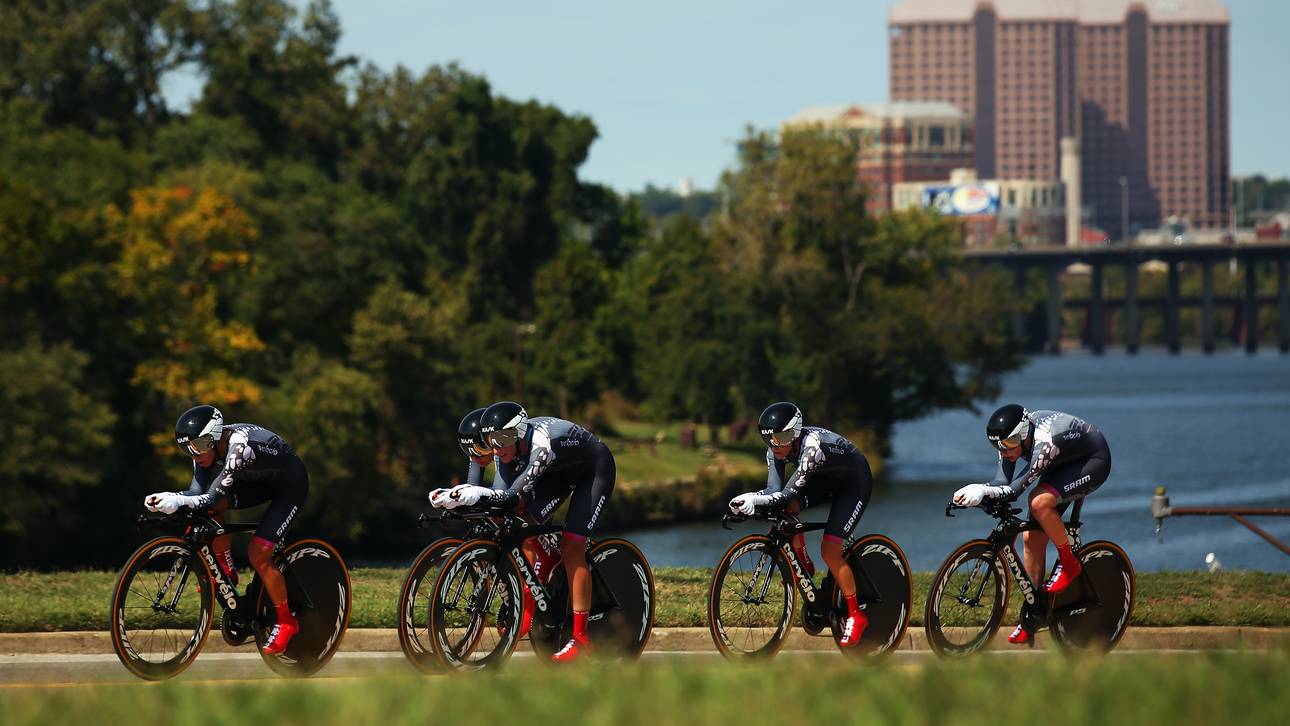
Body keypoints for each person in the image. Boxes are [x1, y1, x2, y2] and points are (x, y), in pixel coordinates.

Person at [432, 401, 614, 663]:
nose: (497, 446)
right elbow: (496, 502)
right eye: (491, 439)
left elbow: (510, 494)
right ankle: (533, 590)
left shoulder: (541, 445)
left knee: (572, 546)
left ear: (518, 433)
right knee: (513, 521)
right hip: (558, 473)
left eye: (504, 438)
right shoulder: (502, 449)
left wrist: (477, 495)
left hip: (594, 470)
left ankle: (581, 638)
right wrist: (454, 497)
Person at [144, 405, 309, 655]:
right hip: (256, 481)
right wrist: (171, 497)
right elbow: (197, 494)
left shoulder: (239, 447)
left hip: (289, 485)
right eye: (187, 448)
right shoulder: (204, 450)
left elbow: (207, 498)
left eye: (198, 445)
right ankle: (225, 567)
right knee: (210, 509)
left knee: (258, 553)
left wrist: (177, 500)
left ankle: (287, 620)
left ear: (214, 437)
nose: (194, 453)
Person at [952, 404, 1112, 645]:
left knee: (1038, 503)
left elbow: (1016, 488)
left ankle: (1070, 564)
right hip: (1061, 463)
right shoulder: (1009, 440)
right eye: (997, 445)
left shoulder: (1044, 441)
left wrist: (984, 491)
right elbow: (1001, 480)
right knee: (1031, 538)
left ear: (1023, 433)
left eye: (1008, 444)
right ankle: (1035, 610)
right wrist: (977, 491)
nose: (1003, 451)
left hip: (1091, 460)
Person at [727, 402, 875, 648]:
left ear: (794, 433)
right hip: (823, 478)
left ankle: (856, 615)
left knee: (830, 550)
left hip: (853, 483)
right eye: (769, 439)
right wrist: (748, 499)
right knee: (788, 509)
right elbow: (774, 491)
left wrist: (754, 499)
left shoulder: (812, 448)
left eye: (781, 438)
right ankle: (802, 557)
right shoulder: (775, 449)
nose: (775, 445)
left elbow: (783, 494)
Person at [428, 408, 562, 640]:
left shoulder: (502, 450)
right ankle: (526, 577)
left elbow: (501, 495)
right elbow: (472, 493)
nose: (477, 457)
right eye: (468, 452)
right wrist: (452, 498)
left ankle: (530, 592)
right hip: (523, 479)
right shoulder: (477, 453)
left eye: (481, 449)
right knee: (493, 520)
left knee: (520, 522)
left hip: (550, 475)